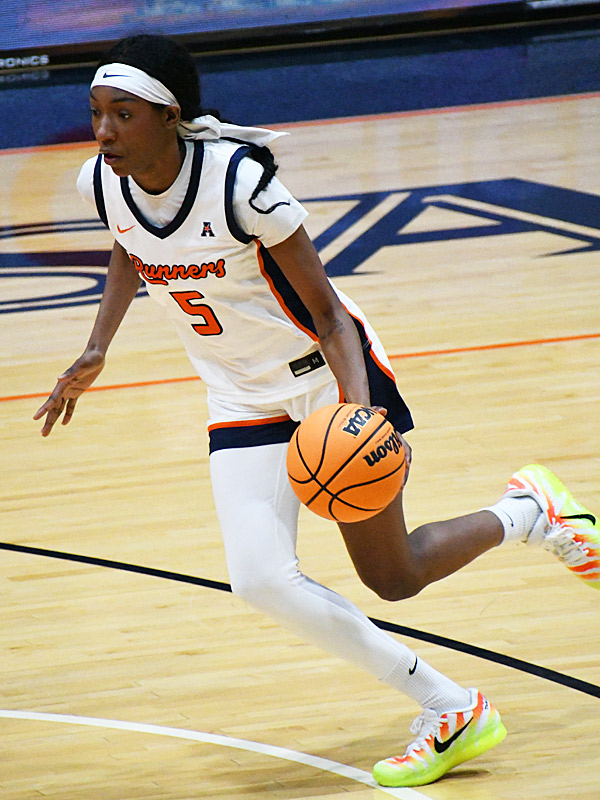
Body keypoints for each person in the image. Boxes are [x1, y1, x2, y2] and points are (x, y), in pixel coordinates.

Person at [33, 34, 600, 788]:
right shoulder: (101, 181)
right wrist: (98, 345)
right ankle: (449, 707)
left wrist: (355, 420)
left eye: (122, 114)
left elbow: (331, 315)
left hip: (328, 378)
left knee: (394, 577)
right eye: (97, 112)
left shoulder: (240, 184)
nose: (102, 130)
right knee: (258, 578)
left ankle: (529, 515)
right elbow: (127, 245)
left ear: (169, 116)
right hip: (238, 395)